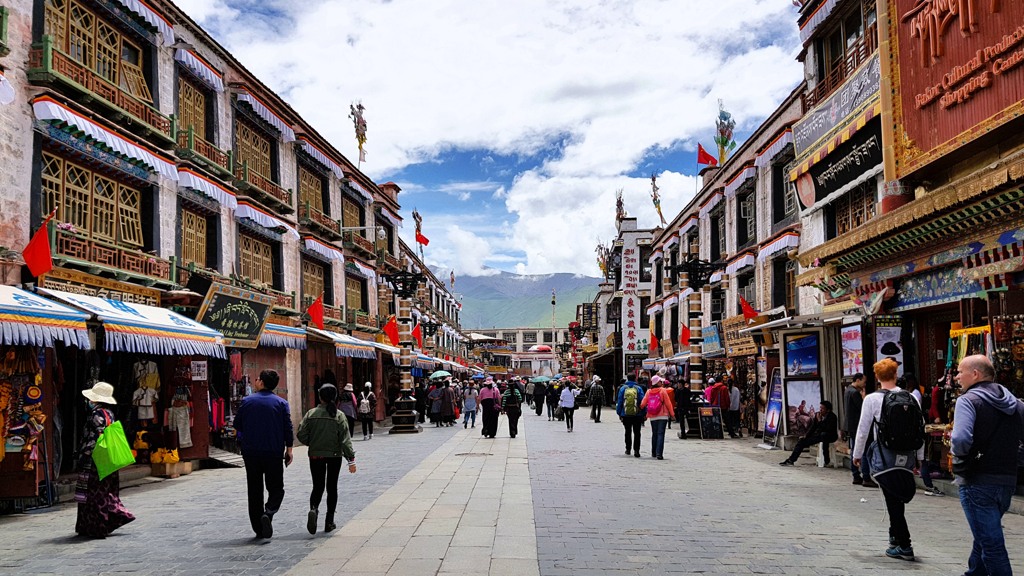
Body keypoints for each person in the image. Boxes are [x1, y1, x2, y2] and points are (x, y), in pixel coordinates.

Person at [950, 354, 1024, 575]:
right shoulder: (1016, 403)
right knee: (985, 536)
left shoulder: (968, 400)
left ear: (975, 374)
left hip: (977, 480)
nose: (956, 377)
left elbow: (960, 438)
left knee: (992, 545)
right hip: (1007, 480)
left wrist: (960, 456)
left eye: (960, 372)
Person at [852, 359, 923, 562]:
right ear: (895, 374)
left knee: (893, 499)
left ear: (877, 377)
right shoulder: (911, 397)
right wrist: (919, 458)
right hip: (907, 456)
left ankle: (904, 544)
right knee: (895, 497)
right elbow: (920, 429)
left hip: (886, 456)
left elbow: (863, 430)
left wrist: (857, 455)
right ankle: (894, 537)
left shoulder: (872, 399)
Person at [235, 370, 294, 539]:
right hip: (273, 452)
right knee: (276, 488)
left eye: (258, 379)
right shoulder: (281, 403)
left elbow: (238, 424)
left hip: (251, 452)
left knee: (254, 489)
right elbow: (288, 428)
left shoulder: (247, 401)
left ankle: (258, 528)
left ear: (261, 382)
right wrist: (289, 449)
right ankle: (268, 513)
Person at [74, 382, 135, 538]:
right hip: (108, 459)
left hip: (93, 460)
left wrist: (83, 455)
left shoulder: (95, 415)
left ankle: (94, 526)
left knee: (91, 493)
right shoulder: (109, 414)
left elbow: (95, 437)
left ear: (94, 400)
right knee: (106, 492)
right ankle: (104, 522)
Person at [296, 384, 356, 534]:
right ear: (335, 397)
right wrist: (351, 460)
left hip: (316, 455)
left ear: (320, 396)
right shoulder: (339, 415)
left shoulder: (311, 414)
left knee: (317, 486)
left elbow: (300, 434)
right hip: (335, 456)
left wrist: (313, 442)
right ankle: (329, 521)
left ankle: (314, 510)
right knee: (332, 487)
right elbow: (345, 440)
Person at [779, 401, 838, 466]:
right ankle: (791, 460)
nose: (820, 410)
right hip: (818, 436)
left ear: (828, 410)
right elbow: (813, 427)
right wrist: (806, 435)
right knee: (802, 441)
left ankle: (827, 461)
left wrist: (820, 422)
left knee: (824, 437)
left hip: (830, 436)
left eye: (822, 409)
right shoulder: (818, 415)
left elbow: (827, 429)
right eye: (820, 408)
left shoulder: (832, 417)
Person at [640, 376, 675, 459]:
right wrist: (672, 414)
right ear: (657, 382)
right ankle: (659, 454)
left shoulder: (649, 391)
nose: (661, 383)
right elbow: (668, 403)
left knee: (654, 434)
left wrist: (641, 409)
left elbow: (643, 403)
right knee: (661, 434)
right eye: (660, 381)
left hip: (653, 415)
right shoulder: (663, 391)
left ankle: (654, 452)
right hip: (663, 415)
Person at [843, 373, 867, 485]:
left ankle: (856, 474)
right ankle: (860, 474)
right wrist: (863, 397)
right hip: (856, 425)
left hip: (850, 425)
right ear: (858, 380)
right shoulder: (854, 393)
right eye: (863, 381)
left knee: (854, 448)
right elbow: (862, 408)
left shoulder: (848, 390)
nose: (864, 384)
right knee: (858, 449)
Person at [616, 376, 646, 457]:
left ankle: (628, 449)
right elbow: (642, 401)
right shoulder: (639, 388)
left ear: (627, 379)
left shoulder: (623, 388)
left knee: (627, 431)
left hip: (625, 414)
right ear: (635, 379)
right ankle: (637, 450)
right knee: (637, 433)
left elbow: (620, 401)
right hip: (637, 414)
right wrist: (644, 413)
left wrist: (619, 413)